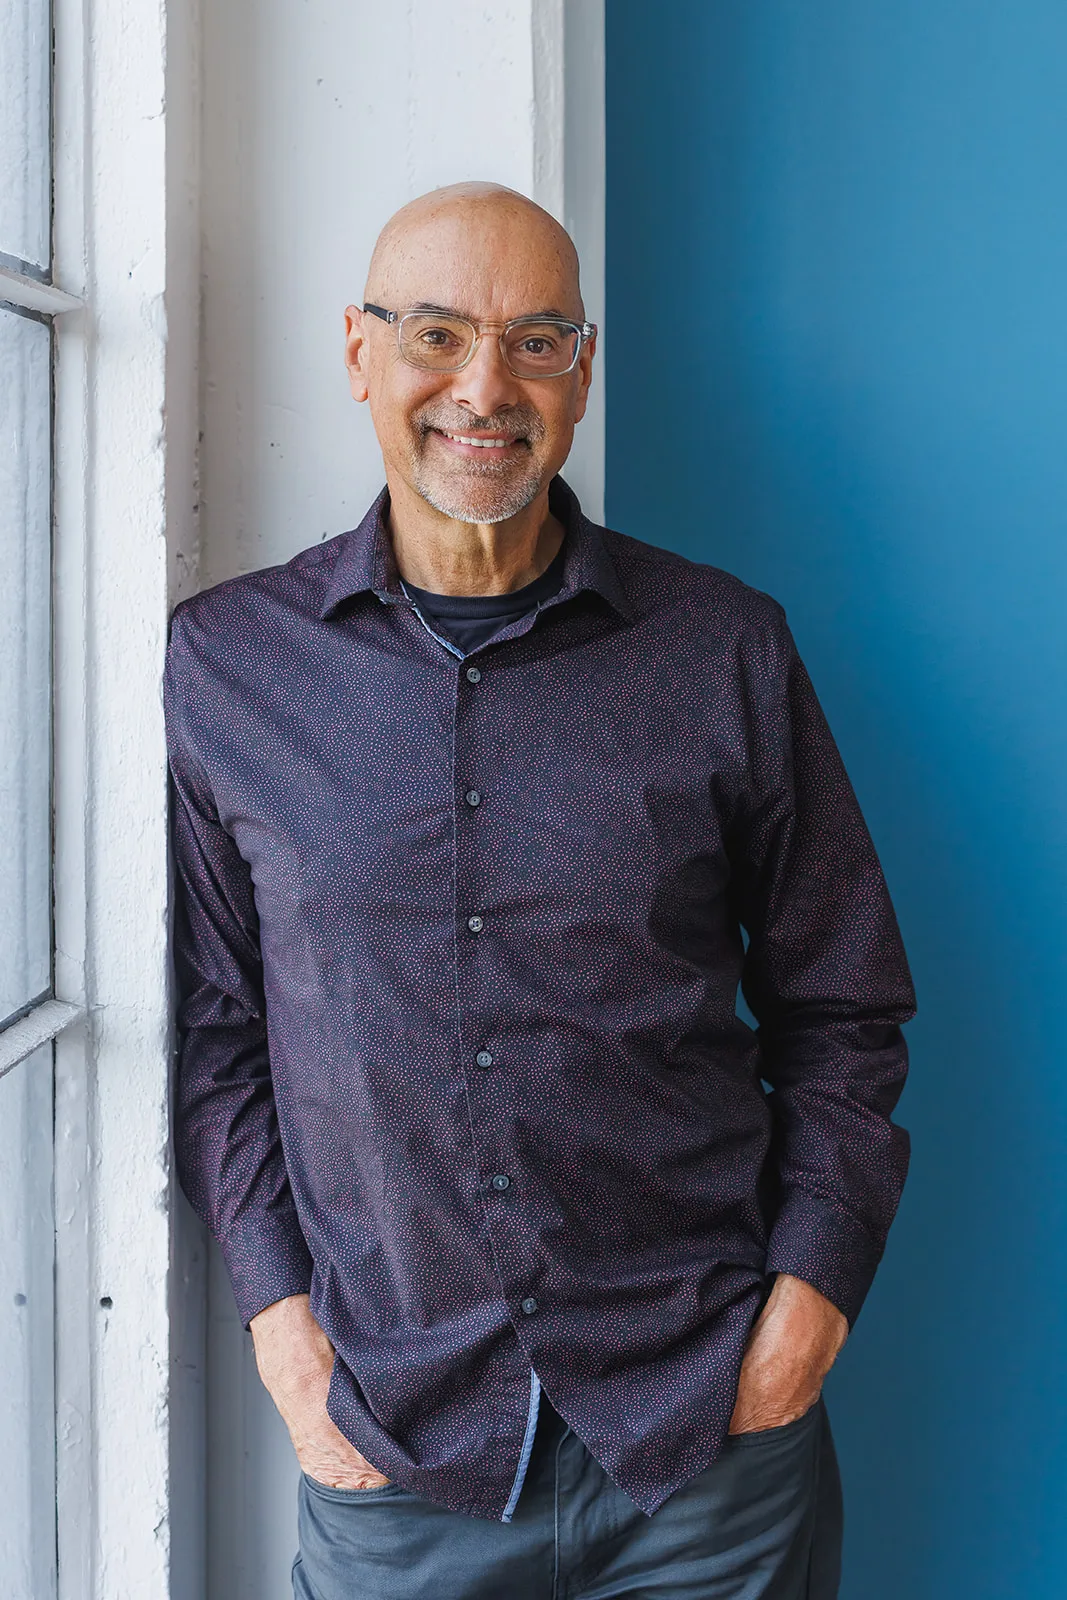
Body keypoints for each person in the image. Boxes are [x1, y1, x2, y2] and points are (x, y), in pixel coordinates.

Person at [164, 181, 915, 1599]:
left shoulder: (722, 647)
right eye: (435, 335)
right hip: (396, 1448)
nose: (482, 388)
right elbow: (217, 1041)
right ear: (358, 355)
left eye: (535, 339)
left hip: (708, 1450)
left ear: (582, 369)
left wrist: (805, 1305)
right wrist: (281, 1332)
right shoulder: (226, 666)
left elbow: (845, 1004)